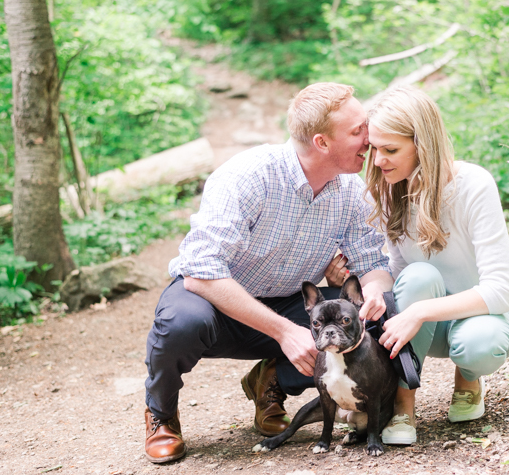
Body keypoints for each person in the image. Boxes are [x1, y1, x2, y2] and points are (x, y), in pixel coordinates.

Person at [143, 82, 393, 463]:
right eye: (358, 130)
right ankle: (161, 415)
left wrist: (375, 291)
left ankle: (272, 379)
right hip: (217, 303)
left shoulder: (350, 191)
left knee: (378, 315)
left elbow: (373, 263)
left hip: (293, 304)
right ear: (322, 142)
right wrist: (283, 332)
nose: (369, 139)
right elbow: (200, 272)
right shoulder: (249, 175)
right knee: (181, 322)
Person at [364, 86, 509, 446]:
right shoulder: (391, 192)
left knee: (477, 344)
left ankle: (468, 378)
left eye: (390, 150)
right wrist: (371, 285)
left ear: (423, 144)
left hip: (484, 317)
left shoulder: (473, 185)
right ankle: (403, 401)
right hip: (427, 327)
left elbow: (500, 291)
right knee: (418, 275)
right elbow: (400, 270)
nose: (377, 160)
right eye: (374, 148)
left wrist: (419, 310)